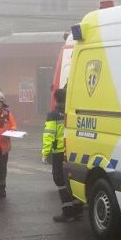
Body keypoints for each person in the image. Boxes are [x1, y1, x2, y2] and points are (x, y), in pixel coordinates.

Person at [43, 87, 82, 222]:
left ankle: (68, 211)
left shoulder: (53, 115)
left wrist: (45, 153)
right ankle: (77, 209)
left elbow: (49, 135)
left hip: (59, 152)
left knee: (59, 180)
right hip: (73, 151)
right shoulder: (72, 113)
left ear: (55, 99)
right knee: (71, 179)